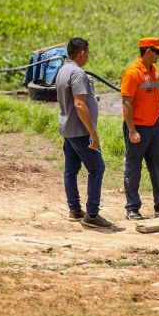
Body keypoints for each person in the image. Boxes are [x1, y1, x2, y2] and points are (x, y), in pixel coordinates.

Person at [55, 37, 113, 229]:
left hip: (67, 128)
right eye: (87, 52)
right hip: (80, 130)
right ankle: (92, 214)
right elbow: (80, 104)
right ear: (82, 53)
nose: (88, 56)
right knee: (97, 169)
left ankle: (74, 209)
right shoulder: (78, 73)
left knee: (71, 170)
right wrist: (93, 134)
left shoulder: (62, 70)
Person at [121, 37, 159, 220]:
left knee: (158, 167)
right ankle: (132, 208)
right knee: (133, 168)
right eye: (157, 51)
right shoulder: (132, 73)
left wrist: (158, 120)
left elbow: (154, 98)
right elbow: (126, 104)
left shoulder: (155, 71)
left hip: (154, 127)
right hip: (137, 128)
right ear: (148, 51)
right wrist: (132, 130)